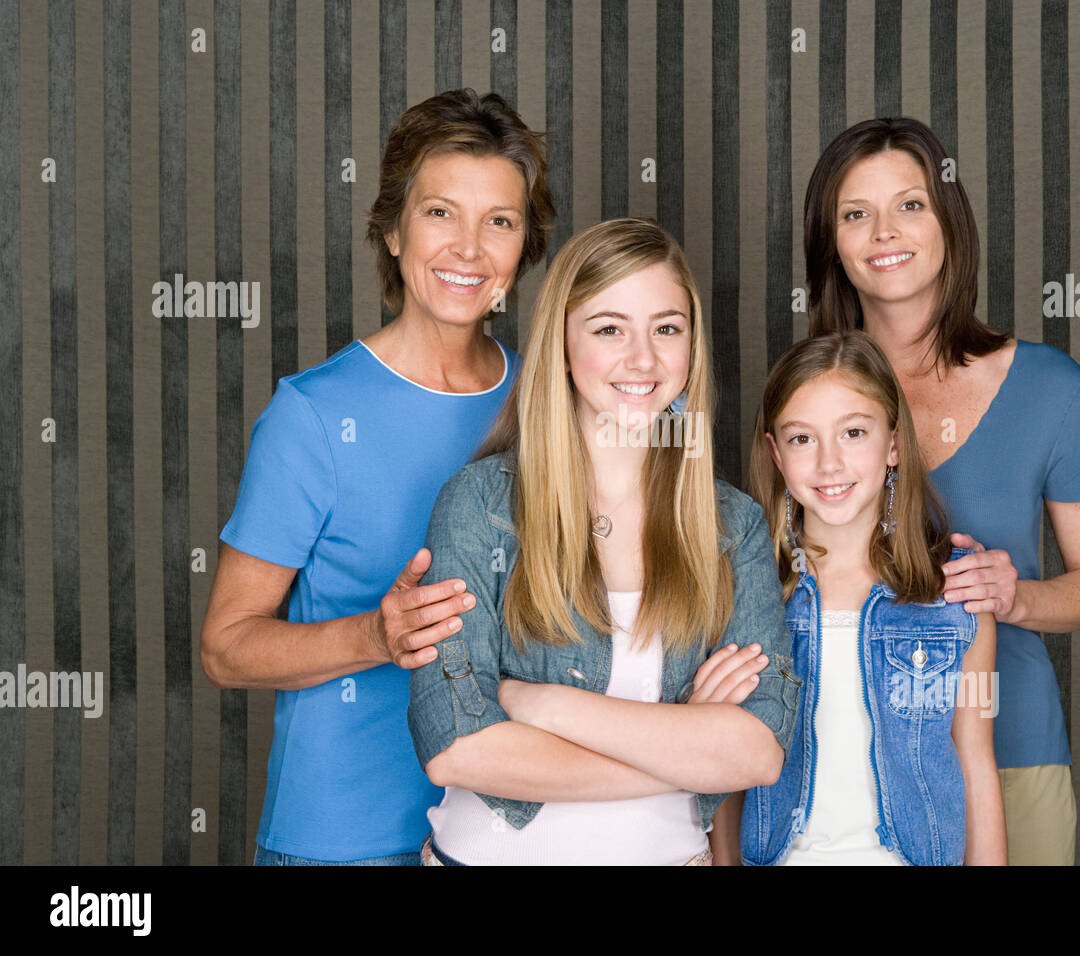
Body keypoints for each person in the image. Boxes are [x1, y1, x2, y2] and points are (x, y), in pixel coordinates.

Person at [199, 88, 555, 865]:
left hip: (513, 836)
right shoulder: (312, 415)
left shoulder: (554, 404)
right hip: (344, 837)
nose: (469, 248)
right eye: (439, 213)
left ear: (524, 246)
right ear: (392, 230)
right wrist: (376, 634)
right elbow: (226, 648)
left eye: (499, 220)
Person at [405, 218, 800, 865]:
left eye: (666, 328)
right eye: (610, 328)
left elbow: (758, 751)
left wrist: (541, 704)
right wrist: (690, 749)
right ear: (562, 343)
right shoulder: (477, 504)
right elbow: (457, 748)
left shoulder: (733, 525)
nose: (642, 359)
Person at [799, 116, 1080, 864]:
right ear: (832, 245)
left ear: (950, 222)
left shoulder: (1050, 388)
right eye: (856, 214)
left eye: (910, 205)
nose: (885, 232)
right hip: (838, 763)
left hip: (1010, 750)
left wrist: (1017, 599)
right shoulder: (807, 395)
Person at [724, 330, 1005, 865]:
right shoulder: (742, 591)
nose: (830, 464)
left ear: (894, 442)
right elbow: (717, 771)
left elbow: (976, 764)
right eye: (802, 439)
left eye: (853, 432)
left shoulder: (958, 598)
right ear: (775, 454)